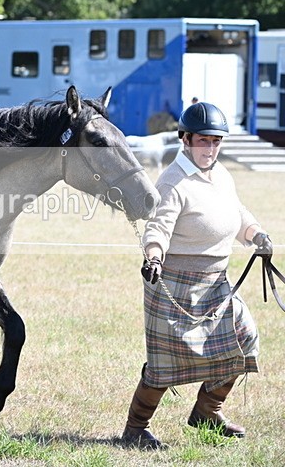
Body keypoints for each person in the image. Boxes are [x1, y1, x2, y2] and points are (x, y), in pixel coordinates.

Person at [121, 102, 275, 449]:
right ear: (185, 139)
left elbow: (236, 212)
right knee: (164, 365)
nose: (209, 148)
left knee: (244, 339)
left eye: (216, 141)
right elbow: (157, 227)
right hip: (174, 286)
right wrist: (154, 256)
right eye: (203, 141)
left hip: (217, 284)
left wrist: (256, 234)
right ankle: (134, 429)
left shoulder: (221, 175)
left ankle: (207, 411)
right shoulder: (172, 181)